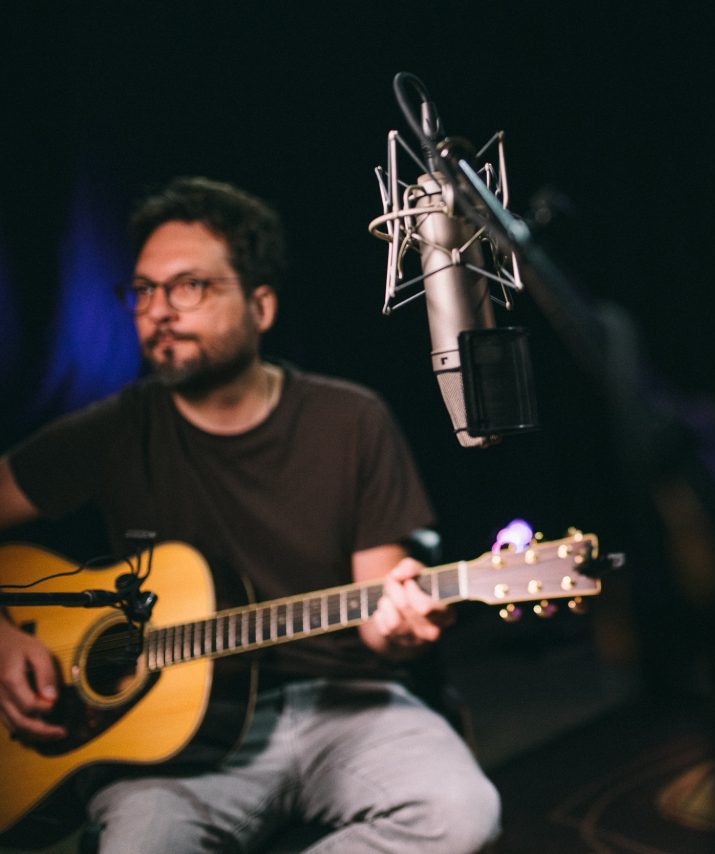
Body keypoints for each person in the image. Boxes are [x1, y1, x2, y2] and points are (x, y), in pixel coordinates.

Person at [0, 177, 501, 852]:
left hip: (343, 707)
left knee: (460, 813)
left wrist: (403, 623)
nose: (158, 311)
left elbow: (386, 612)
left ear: (260, 307)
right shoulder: (114, 431)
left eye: (190, 287)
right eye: (144, 291)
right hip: (169, 749)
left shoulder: (350, 419)